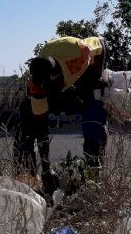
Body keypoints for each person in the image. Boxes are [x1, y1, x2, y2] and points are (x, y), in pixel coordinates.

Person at [17, 36, 108, 179]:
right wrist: (47, 170)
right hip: (62, 85)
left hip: (85, 75)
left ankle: (93, 171)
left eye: (49, 86)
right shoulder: (37, 86)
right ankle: (29, 175)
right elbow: (40, 121)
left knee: (93, 110)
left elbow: (100, 43)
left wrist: (96, 77)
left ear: (56, 76)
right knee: (27, 112)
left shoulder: (78, 53)